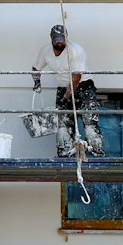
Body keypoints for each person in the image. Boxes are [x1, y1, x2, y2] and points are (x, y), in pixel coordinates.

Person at [30, 23, 103, 157]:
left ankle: (96, 152)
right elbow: (36, 68)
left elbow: (76, 78)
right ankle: (65, 153)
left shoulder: (76, 51)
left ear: (66, 38)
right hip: (63, 86)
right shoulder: (45, 51)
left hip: (83, 84)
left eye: (62, 40)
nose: (59, 43)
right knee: (63, 123)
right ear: (51, 38)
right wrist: (37, 81)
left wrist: (66, 98)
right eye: (56, 40)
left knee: (89, 121)